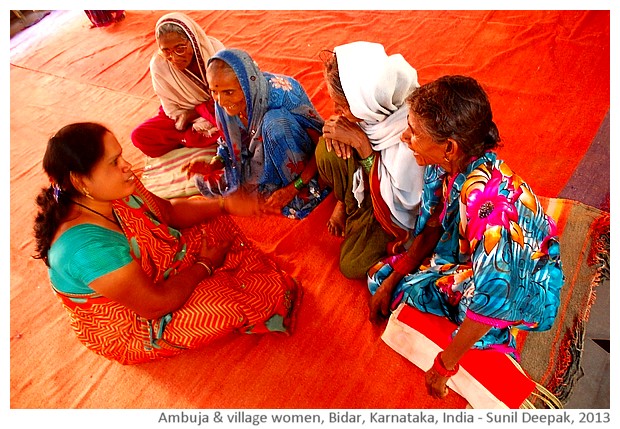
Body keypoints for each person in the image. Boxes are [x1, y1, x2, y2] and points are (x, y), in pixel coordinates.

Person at [33, 122, 301, 365]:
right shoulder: (86, 250)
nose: (127, 165)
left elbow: (168, 213)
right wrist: (205, 265)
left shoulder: (112, 189)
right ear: (80, 181)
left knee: (214, 224)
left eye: (122, 156)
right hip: (135, 321)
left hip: (147, 275)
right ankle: (214, 279)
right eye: (114, 162)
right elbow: (155, 305)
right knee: (225, 306)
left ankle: (206, 272)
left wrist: (223, 204)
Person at [367, 75, 565, 399]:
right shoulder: (444, 163)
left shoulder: (489, 211)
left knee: (423, 300)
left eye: (414, 132)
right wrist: (395, 277)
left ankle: (496, 346)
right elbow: (434, 224)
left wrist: (445, 365)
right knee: (383, 280)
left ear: (449, 146)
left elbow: (497, 291)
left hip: (521, 285)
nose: (404, 137)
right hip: (474, 260)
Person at [315, 41, 424, 279]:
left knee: (352, 264)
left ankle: (362, 214)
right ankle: (348, 202)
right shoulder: (374, 103)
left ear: (364, 102)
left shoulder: (412, 130)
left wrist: (363, 146)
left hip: (393, 210)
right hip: (373, 182)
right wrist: (343, 131)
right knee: (328, 146)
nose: (335, 109)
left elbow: (408, 203)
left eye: (342, 106)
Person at [182, 48, 329, 219]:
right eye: (214, 91)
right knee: (205, 179)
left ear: (247, 84)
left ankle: (296, 187)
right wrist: (214, 164)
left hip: (297, 159)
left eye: (229, 92)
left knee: (275, 123)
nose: (221, 101)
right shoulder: (222, 103)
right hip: (256, 160)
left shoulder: (285, 93)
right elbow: (228, 143)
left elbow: (323, 142)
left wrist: (294, 187)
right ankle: (267, 186)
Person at [131, 12, 224, 158]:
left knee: (235, 121)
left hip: (219, 108)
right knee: (140, 136)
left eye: (180, 49)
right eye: (166, 51)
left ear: (192, 41)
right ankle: (198, 139)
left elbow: (230, 93)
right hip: (183, 115)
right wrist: (188, 116)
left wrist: (194, 113)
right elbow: (172, 110)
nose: (173, 58)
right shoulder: (159, 64)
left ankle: (194, 140)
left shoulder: (213, 49)